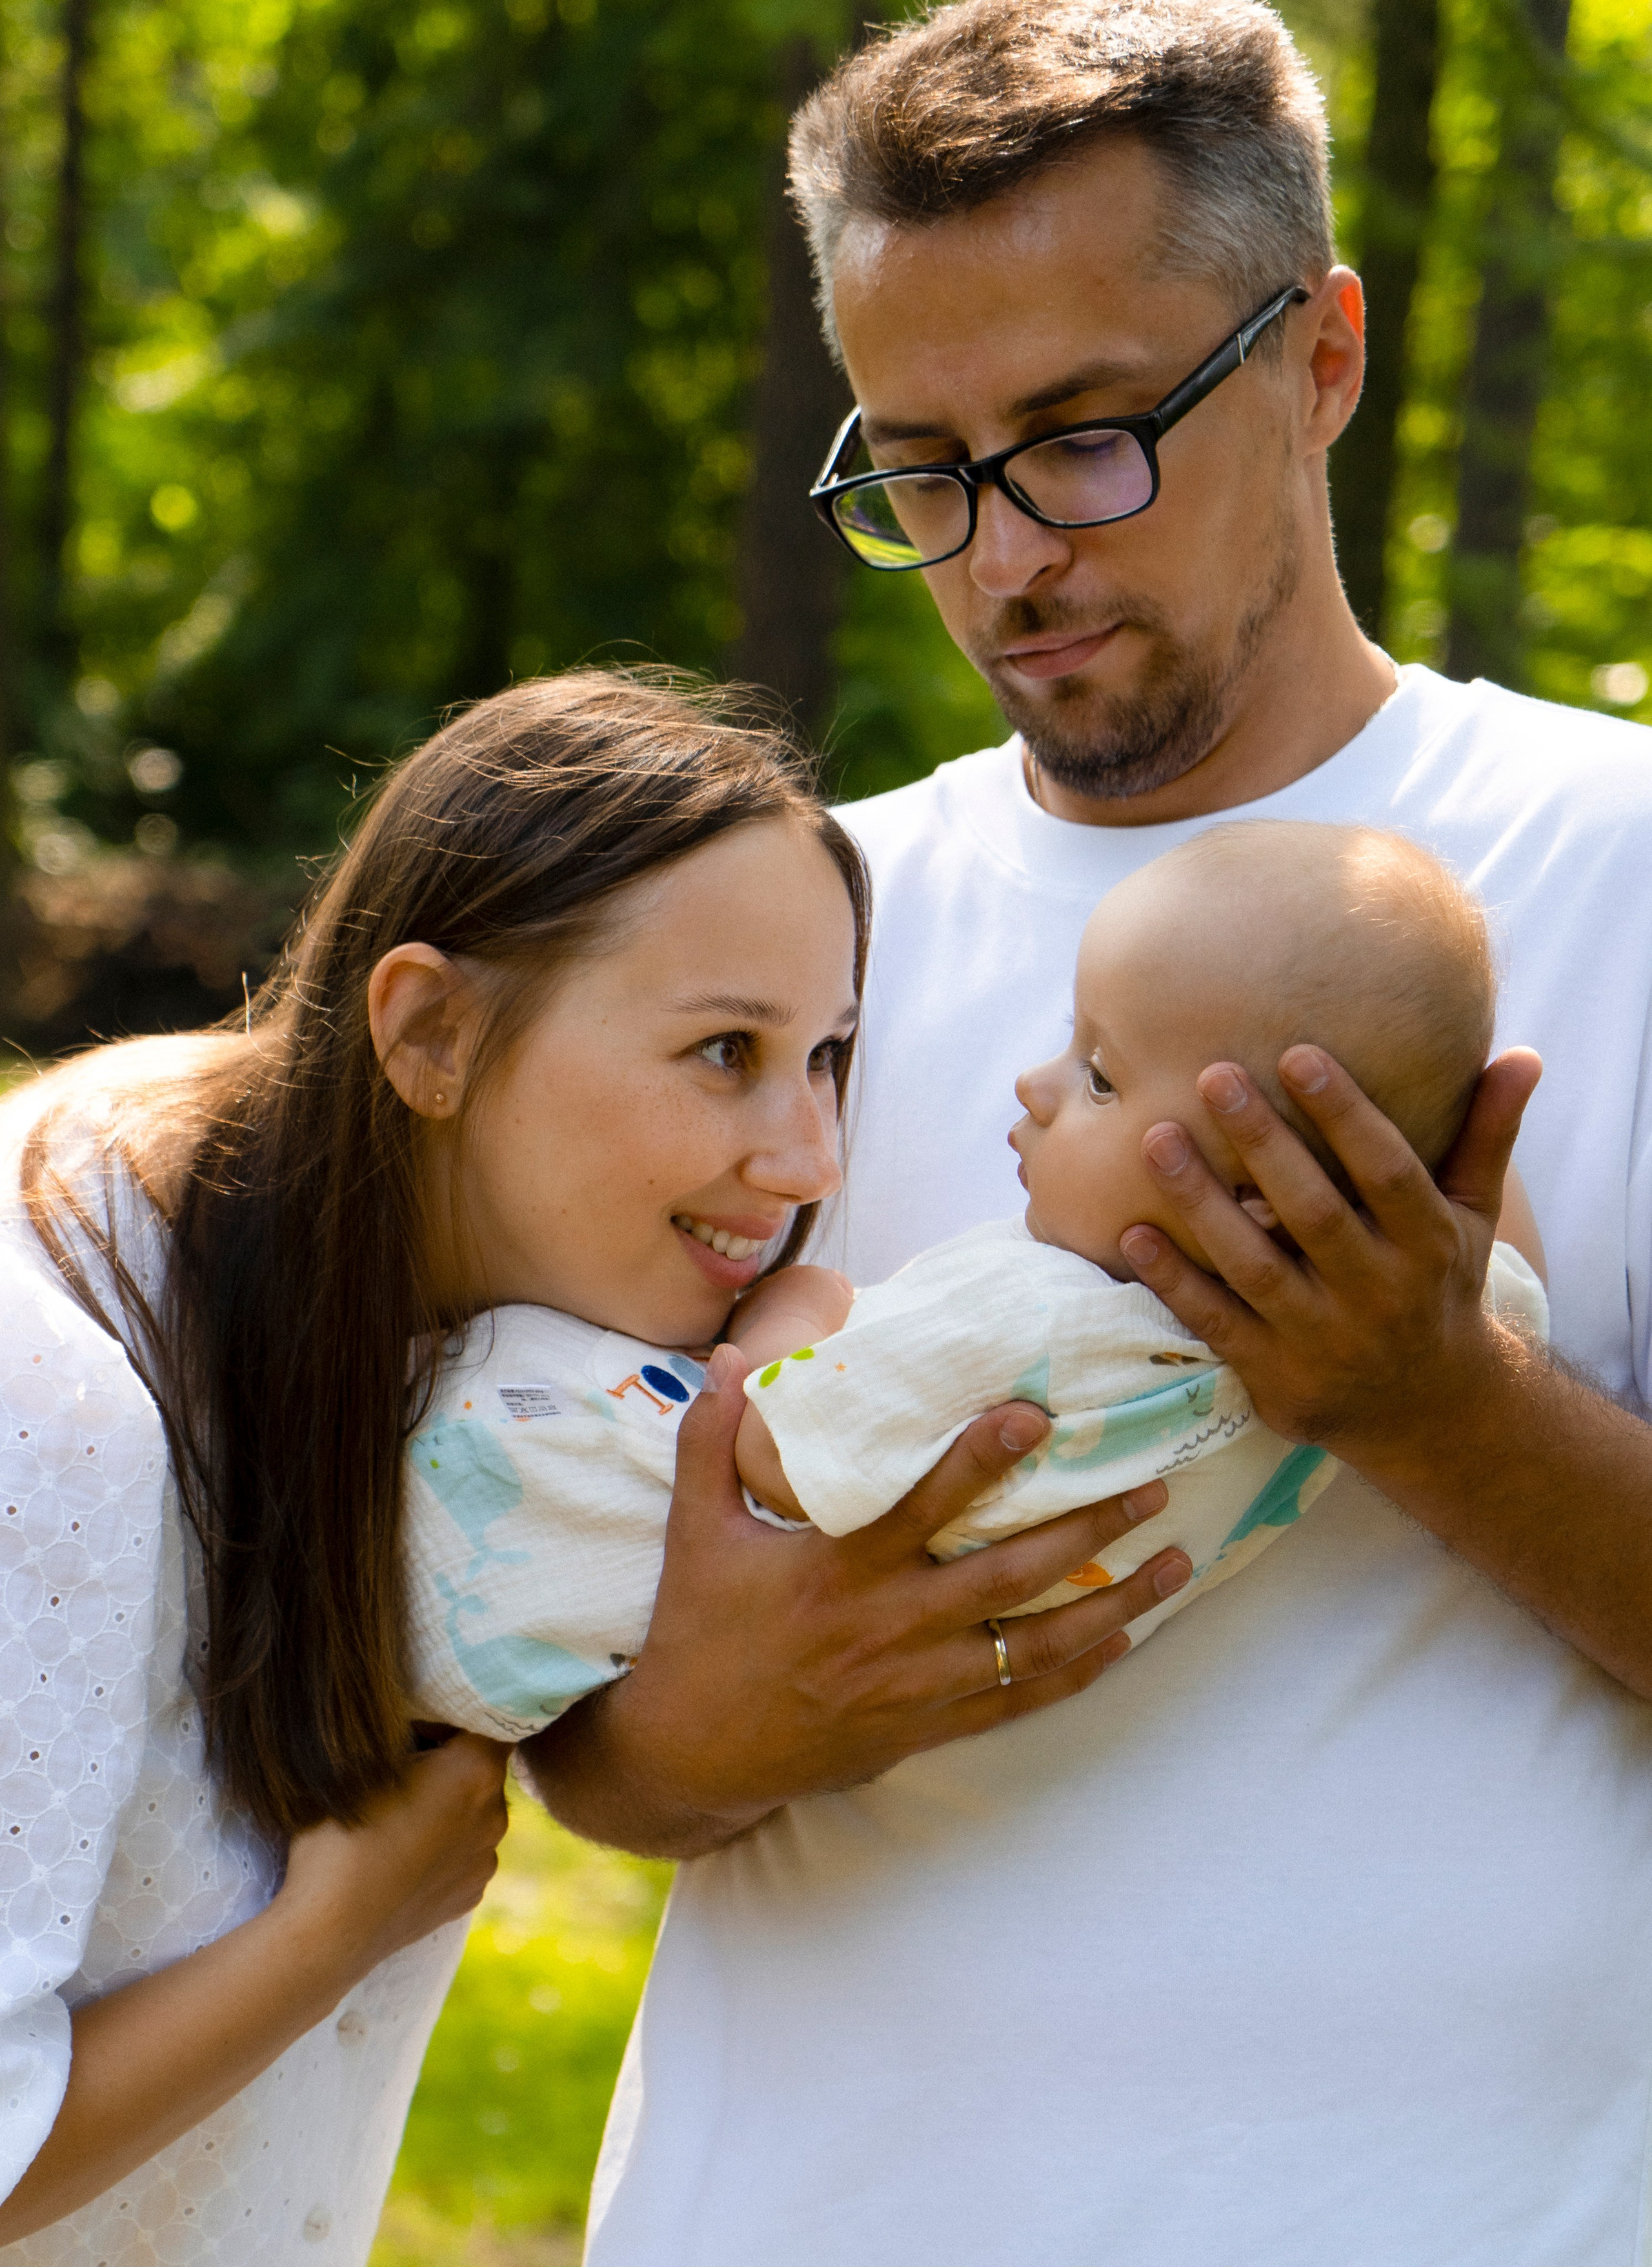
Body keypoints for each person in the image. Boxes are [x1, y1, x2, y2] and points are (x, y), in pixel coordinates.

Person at [562, 5, 1652, 2262]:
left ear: (1323, 355)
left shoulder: (1620, 870)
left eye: (1083, 440)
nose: (1003, 564)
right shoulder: (778, 945)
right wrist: (708, 1721)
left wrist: (1438, 1404)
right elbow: (571, 1712)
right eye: (920, 468)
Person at [0, 671, 1160, 2263]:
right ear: (427, 1031)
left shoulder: (439, 1360)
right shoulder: (56, 1405)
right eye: (721, 1052)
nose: (810, 1158)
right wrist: (335, 1926)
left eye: (825, 1055)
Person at [412, 818, 1546, 1747]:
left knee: (488, 1381)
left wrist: (795, 1312)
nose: (1039, 1084)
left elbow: (771, 1444)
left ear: (1262, 1192)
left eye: (1098, 1076)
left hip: (514, 1554)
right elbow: (1510, 1293)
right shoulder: (1332, 1377)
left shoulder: (1036, 1315)